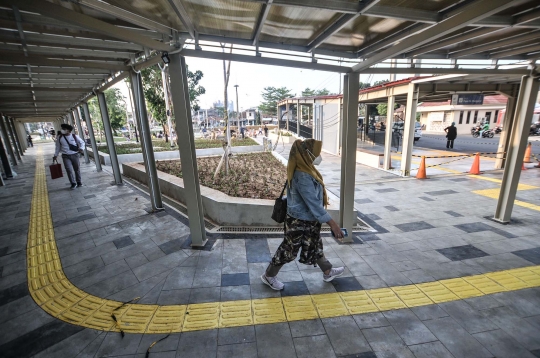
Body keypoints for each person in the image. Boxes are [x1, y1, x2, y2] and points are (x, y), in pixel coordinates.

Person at [261, 139, 345, 290]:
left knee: (315, 245)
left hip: (309, 219)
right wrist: (333, 225)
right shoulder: (302, 175)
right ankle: (269, 275)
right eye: (316, 154)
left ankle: (327, 271)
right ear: (307, 154)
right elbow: (313, 203)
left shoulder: (307, 168)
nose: (318, 157)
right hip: (299, 220)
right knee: (289, 250)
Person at [53, 124, 85, 190]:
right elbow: (58, 147)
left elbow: (82, 142)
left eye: (64, 129)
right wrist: (55, 155)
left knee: (77, 169)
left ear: (69, 130)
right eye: (62, 128)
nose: (62, 130)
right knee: (69, 169)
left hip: (75, 155)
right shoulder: (60, 137)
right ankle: (73, 183)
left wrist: (81, 148)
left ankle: (79, 182)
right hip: (65, 156)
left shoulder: (74, 136)